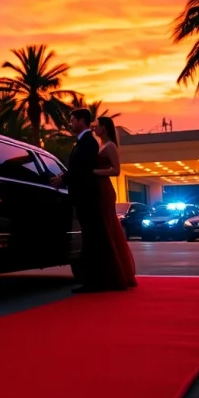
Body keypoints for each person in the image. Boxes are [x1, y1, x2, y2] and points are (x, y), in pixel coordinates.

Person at [50, 108, 119, 293]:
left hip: (87, 197)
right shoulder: (84, 142)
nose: (70, 122)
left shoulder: (88, 142)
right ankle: (95, 280)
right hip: (84, 196)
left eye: (72, 119)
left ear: (82, 121)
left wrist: (62, 178)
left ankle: (95, 281)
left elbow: (83, 168)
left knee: (91, 239)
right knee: (91, 237)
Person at [90, 116, 138, 290]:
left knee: (108, 227)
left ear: (104, 128)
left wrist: (94, 172)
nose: (94, 129)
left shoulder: (110, 146)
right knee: (104, 228)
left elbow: (116, 170)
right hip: (98, 188)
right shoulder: (99, 145)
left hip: (105, 189)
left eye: (96, 126)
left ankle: (117, 273)